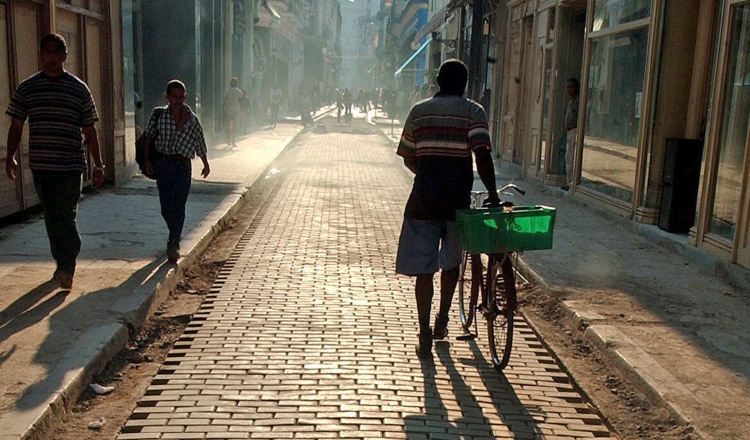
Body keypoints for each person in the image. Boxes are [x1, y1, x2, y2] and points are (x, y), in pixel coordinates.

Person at [395, 59, 500, 359]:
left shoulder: (419, 111)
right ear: (465, 83)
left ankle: (425, 332)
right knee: (451, 264)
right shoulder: (473, 111)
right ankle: (443, 319)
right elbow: (482, 155)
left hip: (422, 203)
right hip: (457, 204)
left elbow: (407, 155)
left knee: (423, 272)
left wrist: (428, 173)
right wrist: (492, 194)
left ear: (438, 81)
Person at [5, 33, 105, 289]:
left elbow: (89, 131)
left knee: (66, 215)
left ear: (64, 56)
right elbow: (17, 125)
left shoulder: (78, 89)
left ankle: (66, 265)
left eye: (55, 53)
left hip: (71, 165)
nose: (50, 58)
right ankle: (62, 262)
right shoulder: (28, 88)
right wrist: (11, 157)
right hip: (42, 164)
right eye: (46, 52)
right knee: (52, 216)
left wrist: (98, 164)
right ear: (41, 54)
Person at [143, 79, 211, 262]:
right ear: (167, 97)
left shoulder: (192, 120)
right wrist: (147, 161)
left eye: (181, 97)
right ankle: (175, 232)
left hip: (182, 166)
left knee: (179, 204)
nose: (178, 100)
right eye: (174, 97)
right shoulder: (159, 116)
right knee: (166, 207)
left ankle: (174, 241)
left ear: (185, 97)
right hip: (164, 165)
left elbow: (200, 143)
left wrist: (205, 163)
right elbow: (149, 137)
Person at [562, 78, 580, 191]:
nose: (569, 90)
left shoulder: (578, 101)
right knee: (568, 158)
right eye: (567, 87)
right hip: (569, 131)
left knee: (572, 158)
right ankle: (569, 182)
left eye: (571, 87)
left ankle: (572, 183)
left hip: (575, 131)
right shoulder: (572, 101)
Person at [222, 77, 244, 147]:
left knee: (228, 126)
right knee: (235, 126)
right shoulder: (239, 92)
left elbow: (224, 101)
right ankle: (233, 141)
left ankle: (228, 140)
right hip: (236, 111)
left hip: (228, 110)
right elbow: (241, 101)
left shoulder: (226, 91)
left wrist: (223, 109)